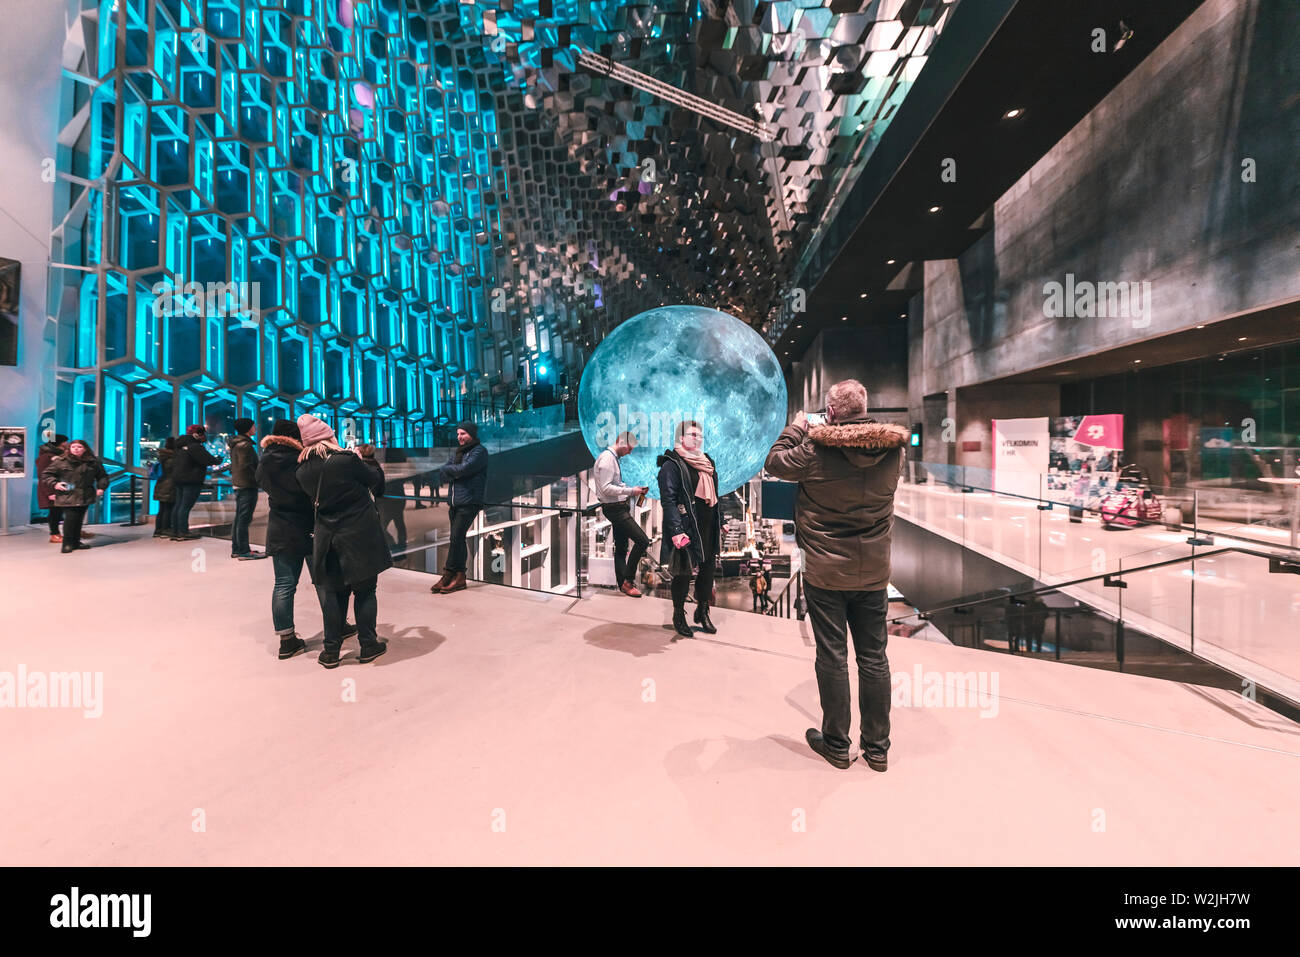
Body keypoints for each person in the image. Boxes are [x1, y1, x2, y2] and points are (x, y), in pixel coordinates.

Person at [764, 379, 909, 773]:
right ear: (864, 408)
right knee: (874, 658)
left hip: (826, 572)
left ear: (830, 413)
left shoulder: (816, 450)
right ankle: (877, 749)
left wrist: (797, 427)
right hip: (874, 573)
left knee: (832, 655)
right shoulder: (895, 451)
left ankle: (836, 744)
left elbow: (774, 462)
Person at [256, 419, 358, 660]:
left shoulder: (264, 462)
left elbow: (262, 484)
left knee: (283, 584)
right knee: (324, 582)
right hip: (310, 527)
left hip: (280, 529)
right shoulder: (300, 460)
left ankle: (287, 641)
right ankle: (337, 627)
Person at [294, 415, 391, 668]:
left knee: (335, 595)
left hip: (327, 539)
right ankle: (368, 645)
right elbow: (375, 481)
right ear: (328, 437)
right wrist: (360, 460)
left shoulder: (302, 469)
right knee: (365, 590)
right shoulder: (345, 460)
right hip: (358, 535)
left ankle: (330, 651)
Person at [656, 420, 723, 638]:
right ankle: (678, 614)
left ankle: (702, 610)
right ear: (681, 438)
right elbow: (668, 500)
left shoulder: (707, 462)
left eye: (700, 435)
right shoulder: (671, 465)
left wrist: (720, 522)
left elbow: (715, 495)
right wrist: (676, 530)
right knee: (683, 573)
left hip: (708, 523)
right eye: (693, 434)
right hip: (686, 526)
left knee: (708, 568)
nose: (698, 438)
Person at [430, 421, 488, 595]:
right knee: (457, 538)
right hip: (455, 502)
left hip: (470, 502)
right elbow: (444, 472)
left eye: (463, 434)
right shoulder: (459, 452)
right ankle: (458, 576)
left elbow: (464, 469)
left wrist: (452, 470)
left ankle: (450, 573)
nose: (459, 437)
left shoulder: (479, 451)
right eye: (458, 434)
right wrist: (452, 470)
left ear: (471, 434)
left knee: (456, 537)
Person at [593, 430, 651, 597]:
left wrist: (631, 490)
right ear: (623, 443)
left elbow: (613, 485)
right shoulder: (607, 459)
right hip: (615, 509)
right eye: (630, 449)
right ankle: (628, 581)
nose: (630, 452)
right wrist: (631, 491)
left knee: (621, 547)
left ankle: (623, 584)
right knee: (642, 540)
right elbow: (606, 488)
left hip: (618, 507)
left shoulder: (611, 459)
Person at [40, 439, 110, 553]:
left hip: (85, 494)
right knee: (70, 519)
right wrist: (55, 484)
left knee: (78, 519)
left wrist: (101, 487)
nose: (76, 449)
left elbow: (102, 476)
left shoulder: (93, 462)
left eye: (79, 447)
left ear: (85, 449)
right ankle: (67, 544)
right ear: (69, 449)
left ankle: (76, 542)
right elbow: (47, 474)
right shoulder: (61, 461)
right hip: (68, 494)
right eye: (73, 447)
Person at [171, 424, 221, 540]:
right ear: (197, 435)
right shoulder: (194, 446)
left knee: (178, 505)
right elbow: (207, 459)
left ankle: (175, 531)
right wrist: (218, 460)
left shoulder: (179, 445)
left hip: (178, 479)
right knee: (185, 506)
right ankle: (183, 532)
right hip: (191, 479)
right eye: (203, 434)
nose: (205, 437)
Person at [227, 417, 265, 560]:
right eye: (253, 426)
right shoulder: (245, 445)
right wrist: (258, 481)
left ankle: (238, 548)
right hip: (247, 485)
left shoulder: (237, 444)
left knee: (240, 518)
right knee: (244, 519)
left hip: (239, 484)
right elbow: (246, 467)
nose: (255, 428)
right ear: (248, 428)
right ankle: (243, 551)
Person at [35, 434, 68, 543]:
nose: (67, 444)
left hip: (60, 487)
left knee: (61, 511)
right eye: (64, 442)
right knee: (55, 512)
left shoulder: (58, 455)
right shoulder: (46, 457)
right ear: (59, 443)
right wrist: (49, 492)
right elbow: (43, 475)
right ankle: (54, 534)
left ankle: (66, 532)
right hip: (52, 488)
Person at [151, 437, 176, 538]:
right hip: (169, 486)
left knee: (162, 509)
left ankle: (158, 530)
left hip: (161, 485)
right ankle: (165, 529)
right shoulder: (171, 459)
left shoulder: (162, 457)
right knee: (168, 509)